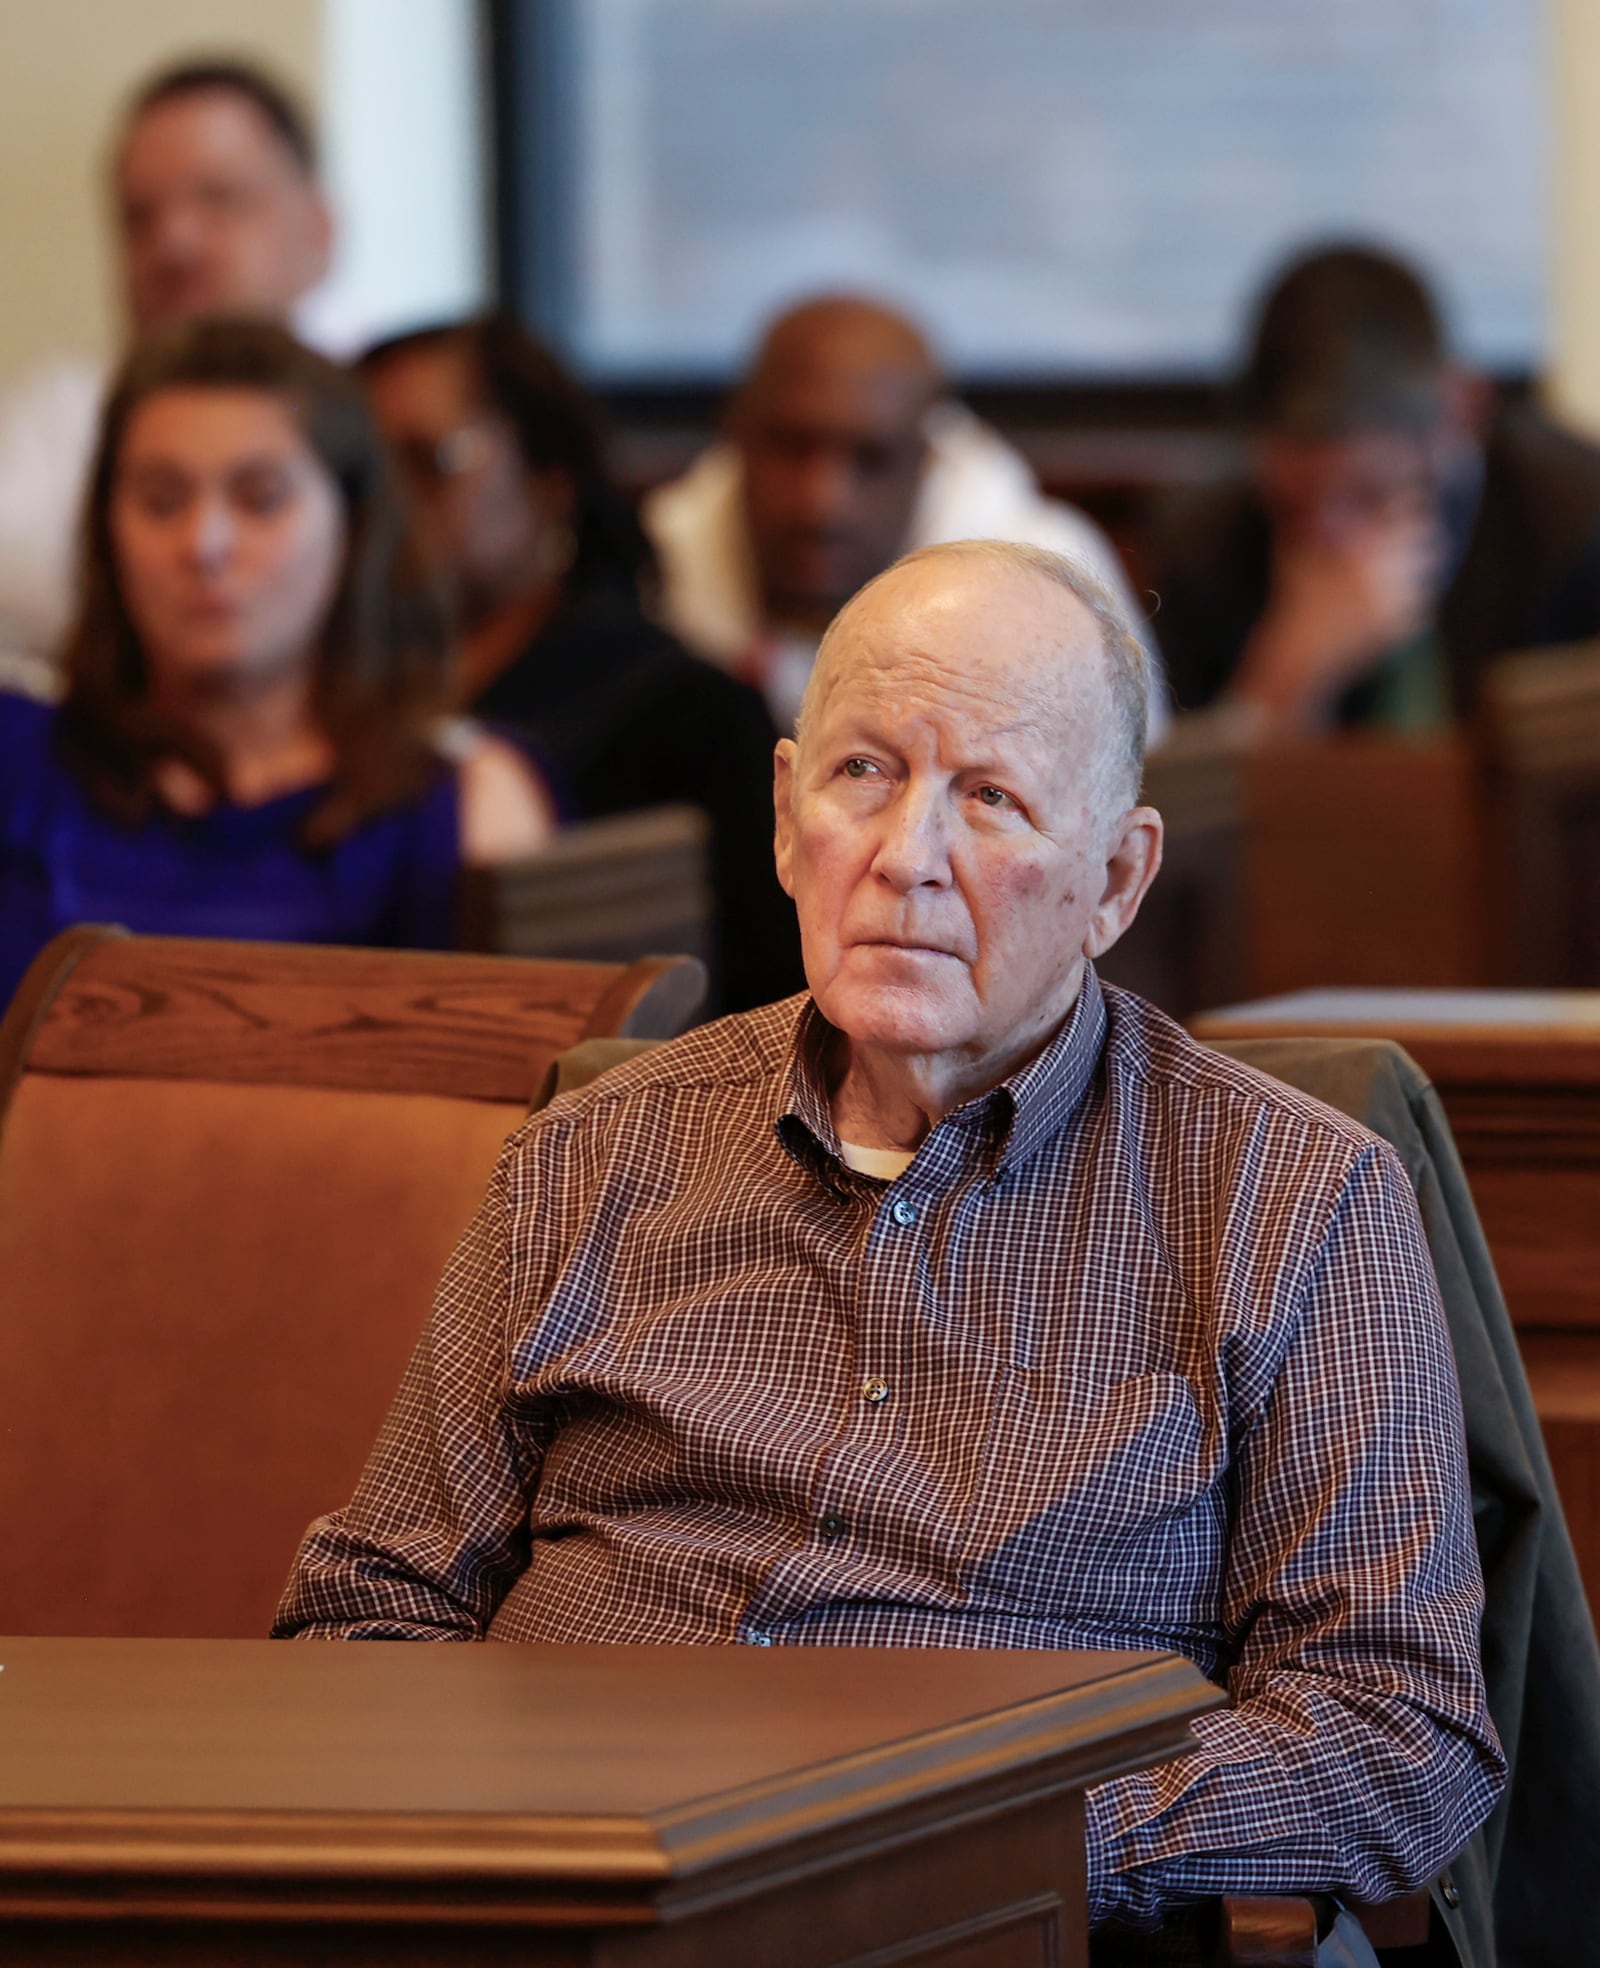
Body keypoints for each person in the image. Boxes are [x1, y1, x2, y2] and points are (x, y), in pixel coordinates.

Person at [277, 538, 1502, 1960]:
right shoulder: (592, 1153)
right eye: (865, 775)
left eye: (989, 798)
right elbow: (368, 1611)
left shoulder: (1295, 1199)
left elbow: (1395, 1730)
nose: (906, 857)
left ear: (1116, 878)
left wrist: (973, 1840)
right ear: (790, 819)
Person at [0, 319, 553, 1010]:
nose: (204, 544)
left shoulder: (463, 801)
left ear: (351, 527)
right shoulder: (19, 758)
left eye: (260, 498)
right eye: (161, 500)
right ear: (105, 528)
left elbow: (543, 1100)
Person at [359, 316, 803, 1011]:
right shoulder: (326, 698)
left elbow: (771, 1001)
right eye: (363, 475)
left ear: (550, 478)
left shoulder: (683, 711)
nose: (384, 508)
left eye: (427, 461)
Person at [643, 293, 1158, 734]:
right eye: (791, 447)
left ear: (930, 460)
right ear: (738, 431)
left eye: (872, 460)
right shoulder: (650, 566)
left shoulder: (1054, 591)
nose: (822, 503)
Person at [1151, 242, 1600, 734]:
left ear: (1460, 413)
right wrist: (1285, 679)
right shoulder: (1203, 547)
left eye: (1368, 494)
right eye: (1292, 503)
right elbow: (1176, 803)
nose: (1330, 533)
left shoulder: (1576, 523)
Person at [0, 58, 335, 699]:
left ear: (321, 230)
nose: (175, 243)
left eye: (219, 199)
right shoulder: (59, 415)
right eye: (139, 218)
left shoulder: (391, 407)